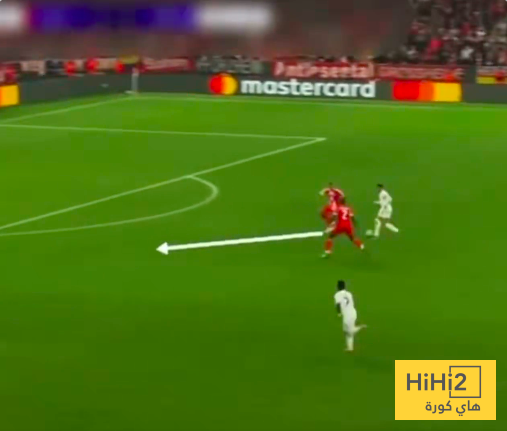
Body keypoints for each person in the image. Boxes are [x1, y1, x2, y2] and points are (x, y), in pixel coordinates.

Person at [334, 280, 366, 351]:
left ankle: (361, 327)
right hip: (353, 312)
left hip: (347, 315)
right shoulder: (349, 293)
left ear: (338, 287)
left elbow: (338, 304)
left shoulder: (337, 294)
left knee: (350, 332)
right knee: (346, 331)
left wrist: (339, 313)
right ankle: (350, 348)